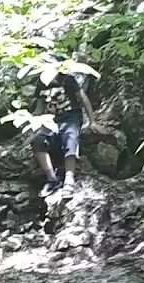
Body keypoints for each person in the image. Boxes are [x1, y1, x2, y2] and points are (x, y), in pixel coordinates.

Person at [30, 69, 95, 197]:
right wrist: (31, 121)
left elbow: (83, 99)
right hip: (50, 120)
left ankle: (69, 179)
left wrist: (92, 121)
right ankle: (52, 179)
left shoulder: (68, 79)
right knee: (37, 141)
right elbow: (39, 108)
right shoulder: (41, 83)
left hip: (71, 117)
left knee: (70, 139)